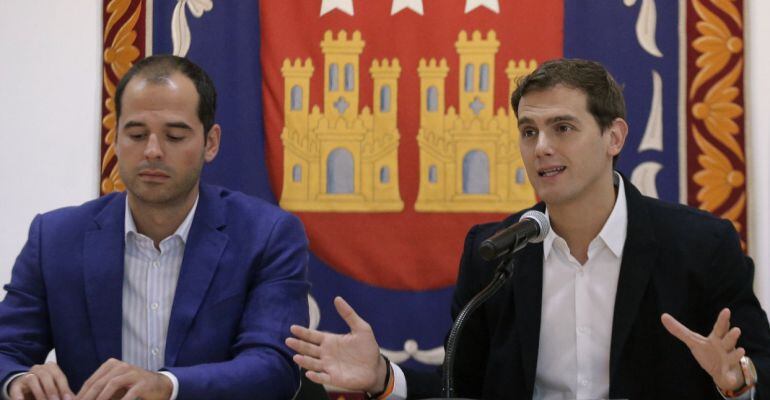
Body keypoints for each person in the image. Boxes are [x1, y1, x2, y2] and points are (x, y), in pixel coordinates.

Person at [286, 59, 770, 399]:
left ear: (614, 137)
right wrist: (381, 379)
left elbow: (757, 372)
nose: (540, 147)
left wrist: (738, 384)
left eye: (563, 128)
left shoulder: (701, 247)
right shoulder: (495, 253)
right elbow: (463, 388)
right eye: (528, 131)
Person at [0, 55, 310, 400]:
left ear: (211, 143)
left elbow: (273, 367)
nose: (152, 151)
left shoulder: (267, 235)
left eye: (175, 136)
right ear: (114, 138)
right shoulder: (55, 237)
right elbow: (6, 349)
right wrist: (16, 380)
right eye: (135, 134)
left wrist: (168, 386)